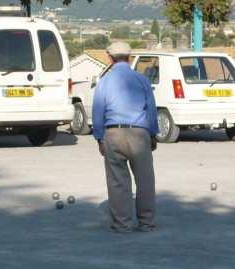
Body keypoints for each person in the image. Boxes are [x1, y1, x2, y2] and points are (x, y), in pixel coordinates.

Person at [92, 42, 160, 233]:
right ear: (130, 58)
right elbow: (151, 110)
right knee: (145, 180)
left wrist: (99, 138)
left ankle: (123, 224)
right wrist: (153, 134)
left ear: (110, 58)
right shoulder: (141, 79)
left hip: (113, 133)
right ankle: (146, 222)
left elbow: (98, 111)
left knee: (118, 181)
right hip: (139, 133)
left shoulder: (104, 82)